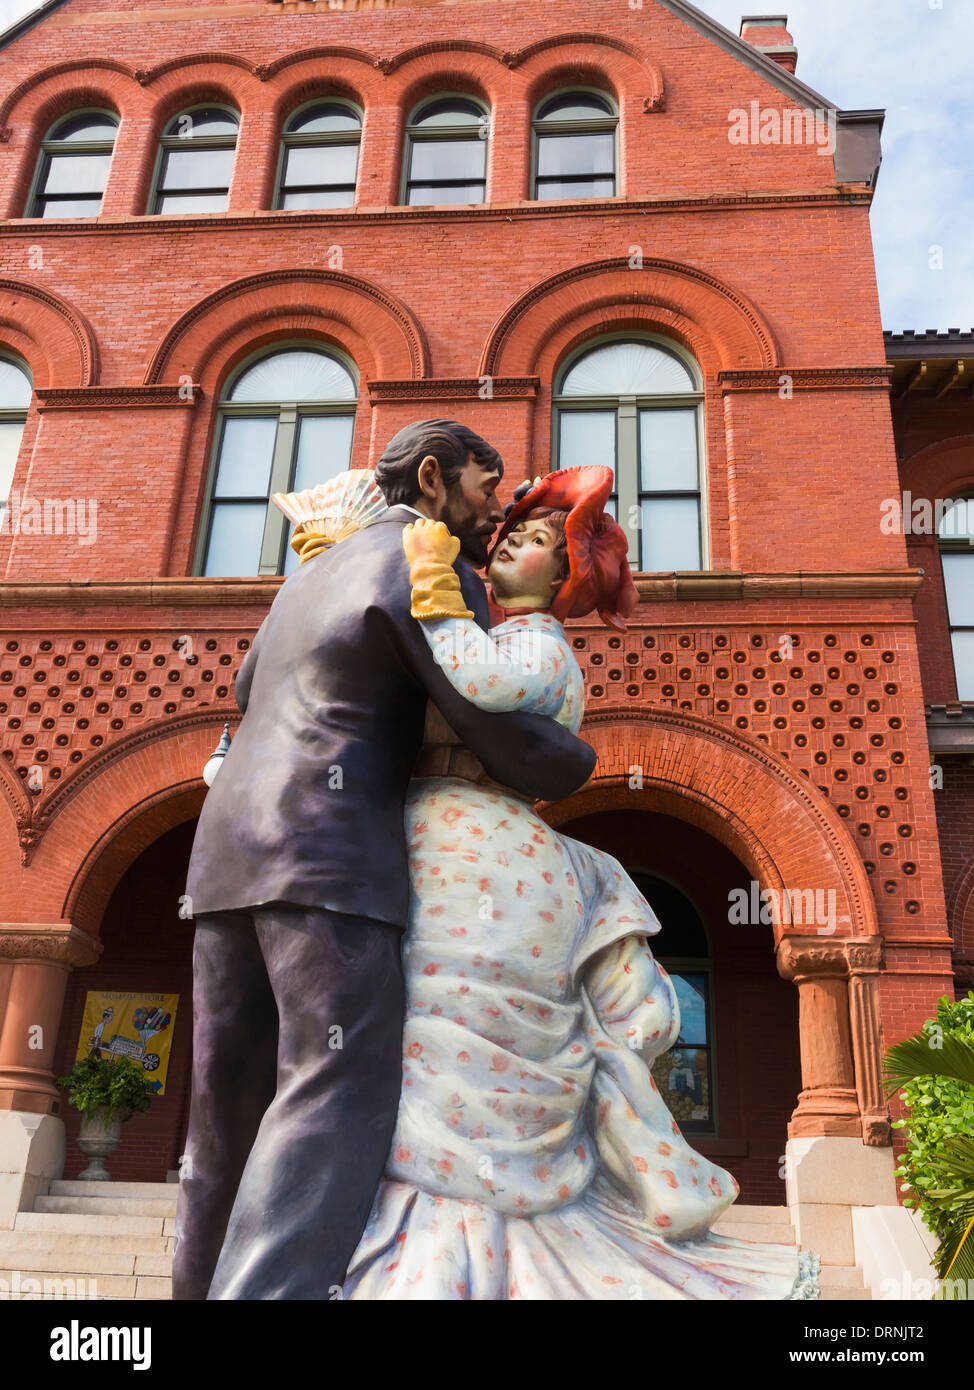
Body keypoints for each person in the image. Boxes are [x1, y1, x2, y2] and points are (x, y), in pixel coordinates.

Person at [338, 465, 819, 1300]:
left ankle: (458, 1252)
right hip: (439, 834)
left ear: (564, 581)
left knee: (461, 1030)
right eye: (512, 535)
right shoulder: (490, 628)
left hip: (482, 849)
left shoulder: (536, 644)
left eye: (534, 546)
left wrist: (429, 587)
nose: (507, 549)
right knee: (423, 1028)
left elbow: (478, 684)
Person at [172, 422, 596, 1301]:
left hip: (221, 858)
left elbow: (249, 690)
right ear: (435, 479)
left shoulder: (309, 573)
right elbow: (497, 730)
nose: (494, 516)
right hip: (326, 857)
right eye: (488, 491)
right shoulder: (426, 564)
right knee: (331, 1092)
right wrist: (574, 762)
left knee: (221, 1118)